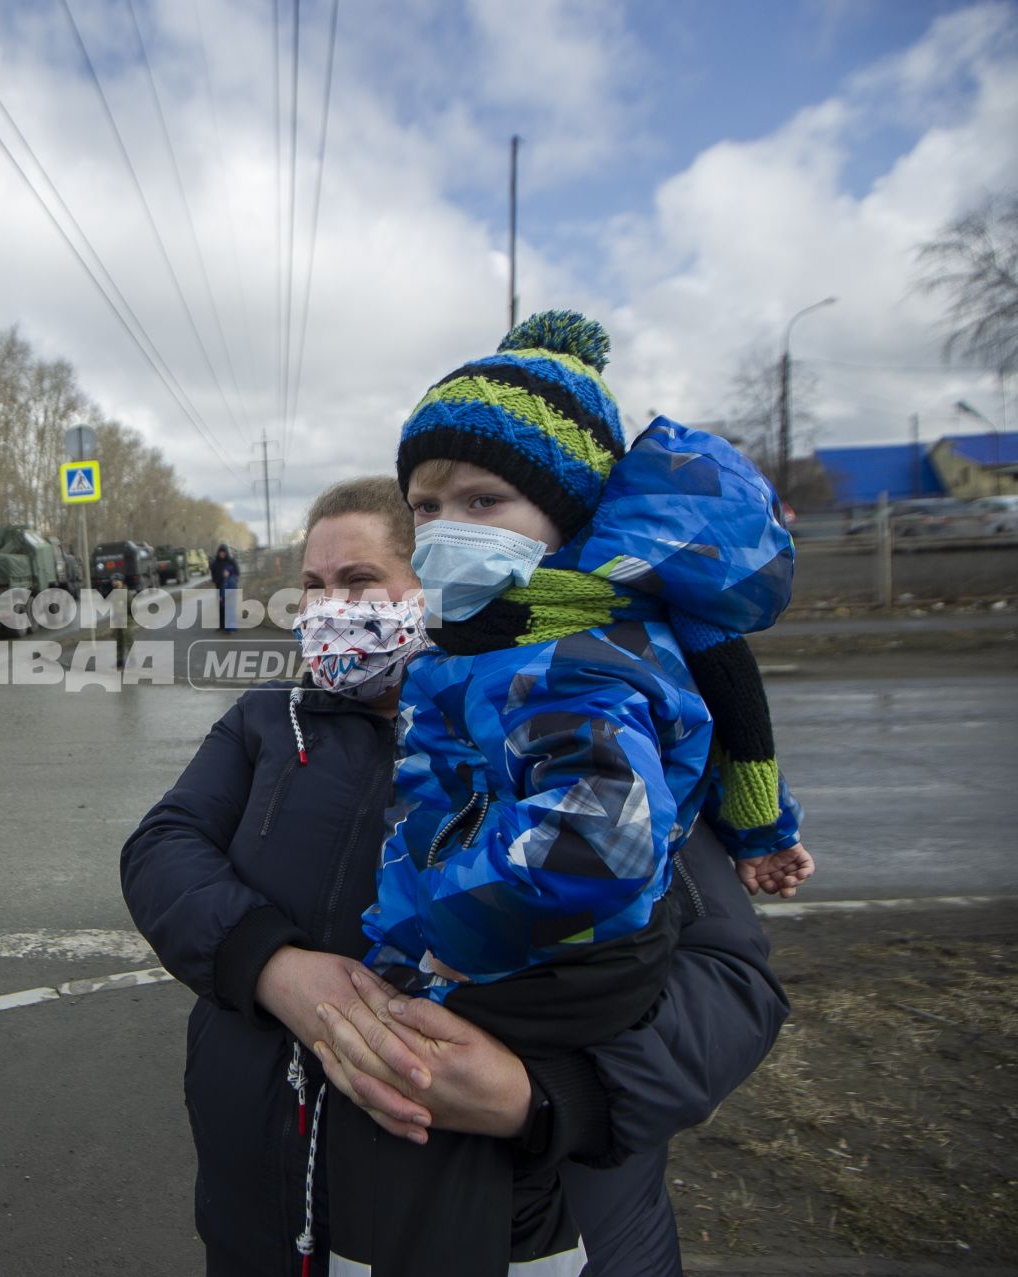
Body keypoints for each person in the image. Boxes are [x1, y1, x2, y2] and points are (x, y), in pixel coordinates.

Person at [121, 475, 791, 1276]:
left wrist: (545, 1098)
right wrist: (273, 967)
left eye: (360, 580)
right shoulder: (273, 720)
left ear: (432, 577)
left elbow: (730, 984)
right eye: (313, 586)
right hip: (272, 1213)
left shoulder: (570, 710)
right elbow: (163, 849)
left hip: (532, 1227)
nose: (331, 607)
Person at [326, 311, 812, 1274]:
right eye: (424, 505)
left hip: (560, 959)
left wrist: (434, 935)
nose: (446, 527)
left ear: (567, 516)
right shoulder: (502, 640)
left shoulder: (575, 658)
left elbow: (598, 843)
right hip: (537, 945)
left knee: (427, 1102)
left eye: (485, 498)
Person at [211, 544, 241, 632]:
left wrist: (230, 578)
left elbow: (237, 573)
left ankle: (231, 626)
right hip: (219, 586)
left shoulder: (231, 561)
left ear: (226, 553)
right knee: (221, 607)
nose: (222, 554)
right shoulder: (215, 562)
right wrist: (216, 580)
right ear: (218, 553)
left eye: (223, 553)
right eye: (220, 553)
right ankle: (222, 626)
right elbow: (213, 573)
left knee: (230, 607)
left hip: (229, 586)